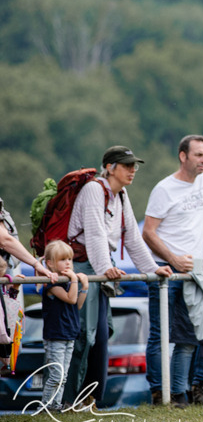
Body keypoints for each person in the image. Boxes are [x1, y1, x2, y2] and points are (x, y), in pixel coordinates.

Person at [64, 146, 169, 407]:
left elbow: (132, 236)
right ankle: (68, 400)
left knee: (101, 334)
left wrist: (152, 268)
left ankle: (90, 398)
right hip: (84, 268)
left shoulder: (120, 194)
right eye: (126, 165)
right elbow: (95, 235)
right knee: (84, 335)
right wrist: (103, 270)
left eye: (134, 165)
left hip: (100, 267)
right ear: (110, 167)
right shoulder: (93, 190)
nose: (133, 170)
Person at [143, 135, 203, 407]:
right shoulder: (164, 189)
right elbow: (148, 232)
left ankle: (179, 393)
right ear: (183, 156)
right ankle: (159, 392)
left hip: (196, 273)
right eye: (199, 155)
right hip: (166, 271)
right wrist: (173, 259)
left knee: (189, 335)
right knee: (161, 334)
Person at [39, 241, 88, 412]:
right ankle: (46, 406)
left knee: (63, 376)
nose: (68, 263)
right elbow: (71, 299)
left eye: (69, 259)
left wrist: (85, 287)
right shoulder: (52, 285)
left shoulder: (68, 283)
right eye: (62, 259)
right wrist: (75, 279)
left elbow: (78, 305)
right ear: (50, 263)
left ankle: (55, 405)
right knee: (56, 375)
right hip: (56, 336)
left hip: (69, 334)